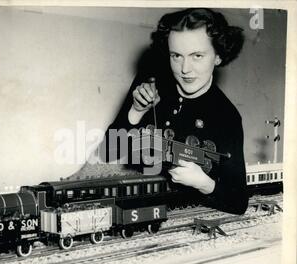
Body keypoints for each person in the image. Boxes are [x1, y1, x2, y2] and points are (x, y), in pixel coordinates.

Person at [103, 8, 248, 215]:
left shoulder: (227, 117)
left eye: (197, 55)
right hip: (134, 209)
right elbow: (108, 151)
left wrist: (204, 183)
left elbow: (238, 201)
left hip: (182, 220)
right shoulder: (149, 83)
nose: (185, 69)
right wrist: (135, 111)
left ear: (218, 56)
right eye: (176, 56)